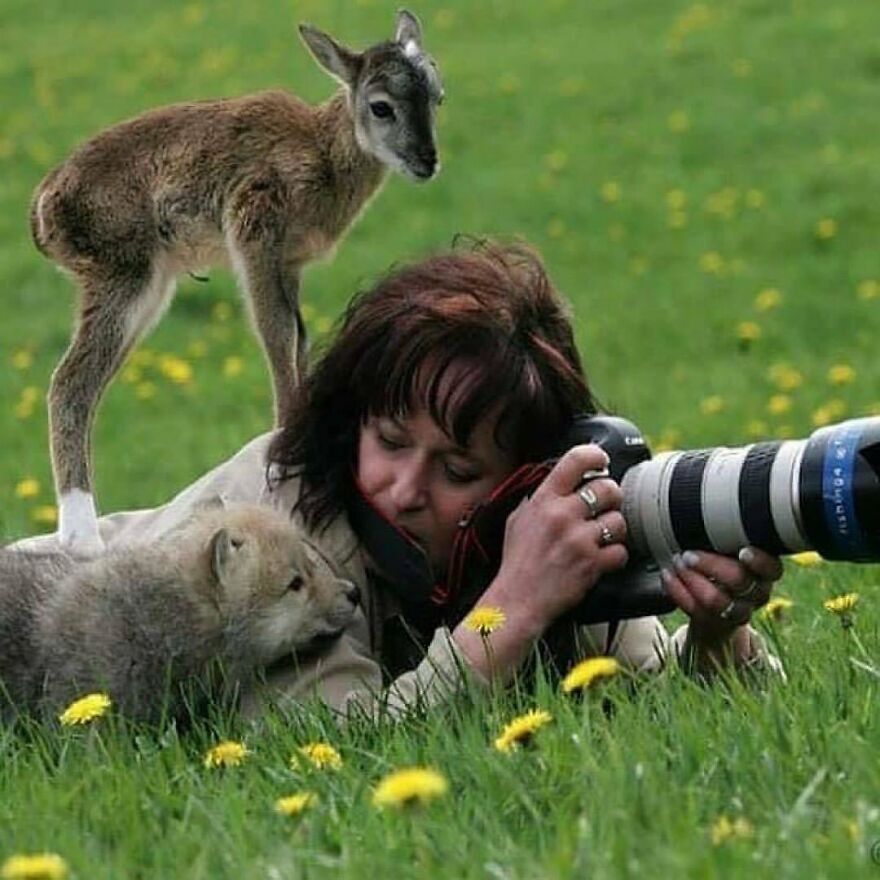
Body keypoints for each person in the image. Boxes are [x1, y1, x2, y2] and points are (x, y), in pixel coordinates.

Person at [13, 240, 784, 720]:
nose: (404, 488)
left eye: (456, 469)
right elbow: (343, 750)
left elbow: (651, 694)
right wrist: (511, 609)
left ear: (524, 478)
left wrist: (718, 635)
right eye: (387, 440)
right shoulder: (277, 537)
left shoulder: (539, 523)